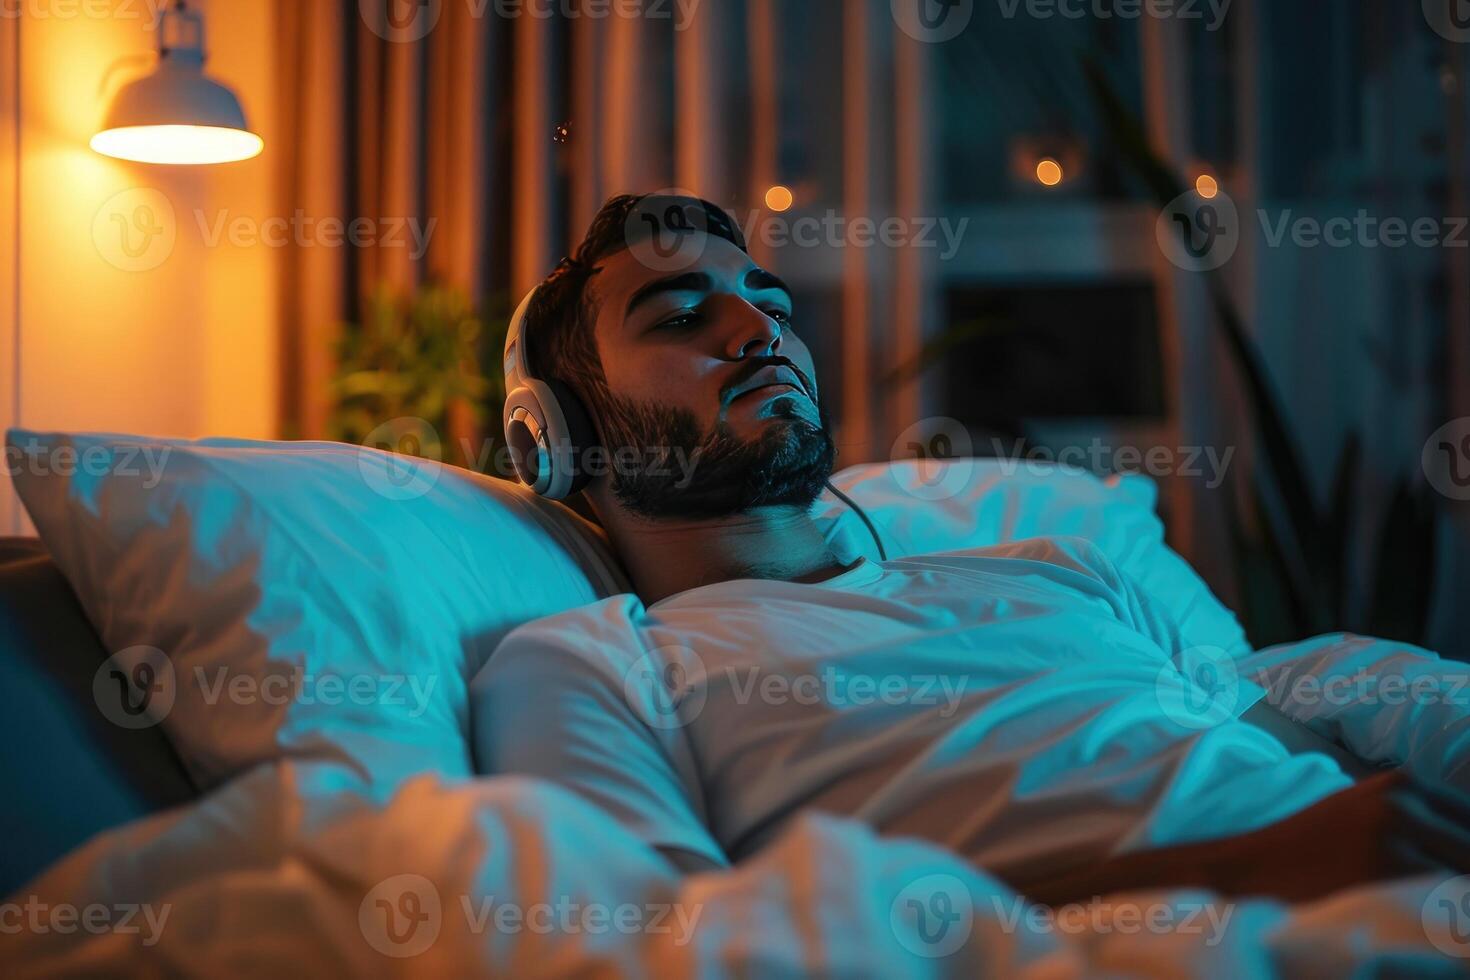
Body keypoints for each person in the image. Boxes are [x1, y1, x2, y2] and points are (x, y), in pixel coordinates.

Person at [473, 193, 1470, 904]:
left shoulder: (1059, 565)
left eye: (773, 304)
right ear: (555, 436)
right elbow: (664, 945)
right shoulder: (586, 666)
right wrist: (1248, 867)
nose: (759, 328)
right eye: (685, 314)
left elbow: (1324, 777)